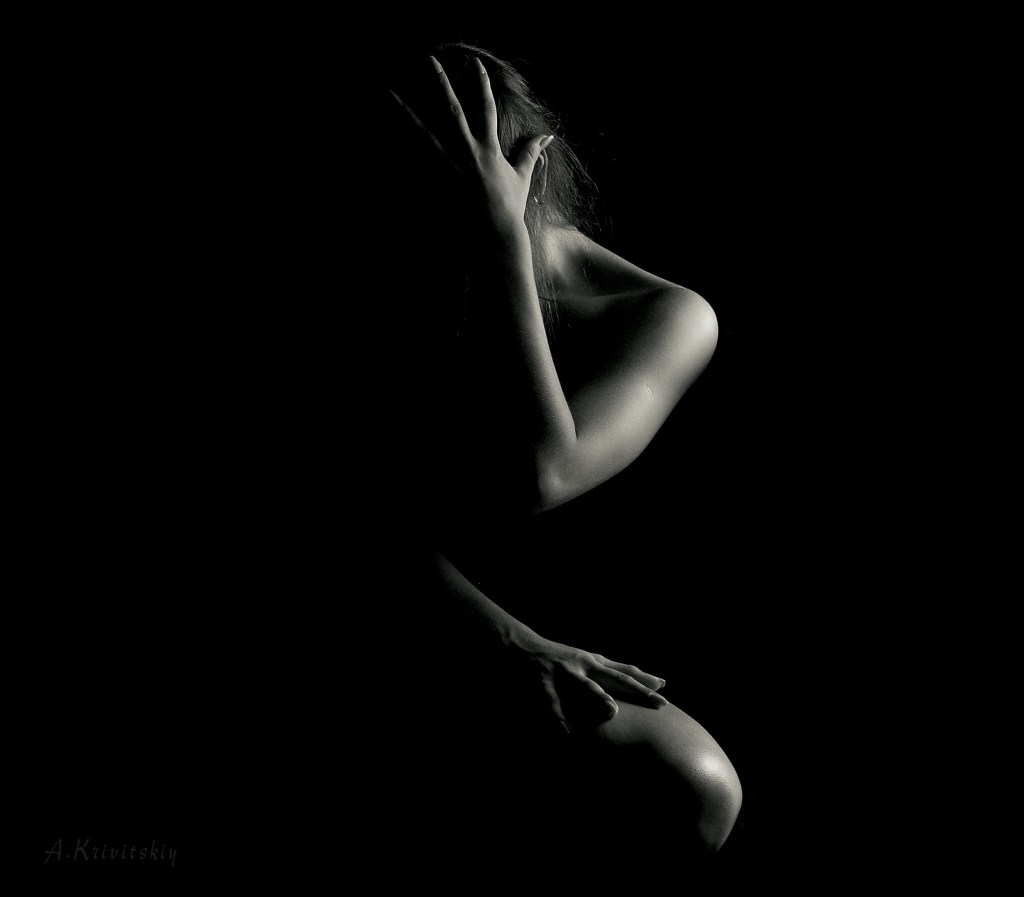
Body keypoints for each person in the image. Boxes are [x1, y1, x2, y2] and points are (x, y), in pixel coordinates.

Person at [370, 42, 742, 878]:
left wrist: (500, 238)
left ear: (522, 179)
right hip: (428, 608)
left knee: (695, 786)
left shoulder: (666, 315)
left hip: (588, 617)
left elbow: (539, 472)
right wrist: (502, 639)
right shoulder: (404, 279)